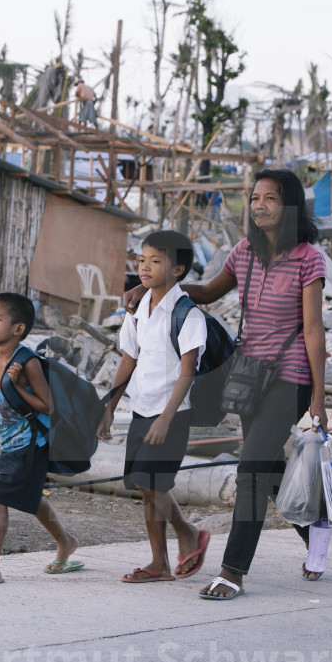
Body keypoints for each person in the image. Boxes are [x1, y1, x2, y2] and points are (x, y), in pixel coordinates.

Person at [124, 168, 327, 600]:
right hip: (250, 376)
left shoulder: (309, 257)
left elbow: (313, 330)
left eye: (270, 198)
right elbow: (208, 292)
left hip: (291, 378)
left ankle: (233, 570)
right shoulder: (244, 251)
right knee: (267, 469)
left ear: (289, 205)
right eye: (255, 198)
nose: (260, 205)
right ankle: (316, 527)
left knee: (250, 468)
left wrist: (319, 399)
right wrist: (151, 288)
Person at [97, 230, 210, 583]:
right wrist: (110, 406)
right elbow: (128, 359)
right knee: (146, 488)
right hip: (141, 410)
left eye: (155, 261)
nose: (144, 268)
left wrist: (165, 418)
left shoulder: (187, 315)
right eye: (142, 260)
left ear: (177, 270)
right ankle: (159, 563)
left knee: (153, 485)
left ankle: (187, 532)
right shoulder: (138, 308)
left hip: (171, 414)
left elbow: (188, 372)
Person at [0, 293, 82, 584]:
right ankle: (66, 541)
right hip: (10, 443)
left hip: (32, 444)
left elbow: (48, 405)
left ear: (18, 329)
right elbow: (1, 400)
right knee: (32, 497)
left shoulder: (27, 363)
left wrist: (18, 385)